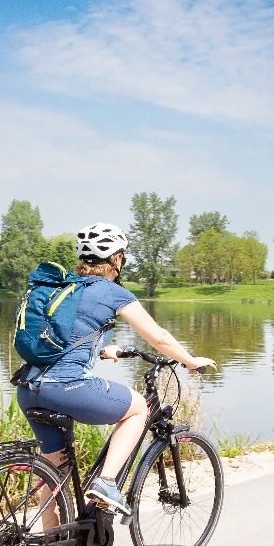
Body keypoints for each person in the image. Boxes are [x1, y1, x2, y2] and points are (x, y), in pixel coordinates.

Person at [16, 221, 214, 519]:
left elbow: (68, 334)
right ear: (116, 259)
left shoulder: (67, 287)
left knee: (55, 473)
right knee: (137, 409)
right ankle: (107, 483)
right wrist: (190, 360)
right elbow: (158, 337)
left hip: (29, 388)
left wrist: (105, 349)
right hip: (65, 388)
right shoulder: (111, 292)